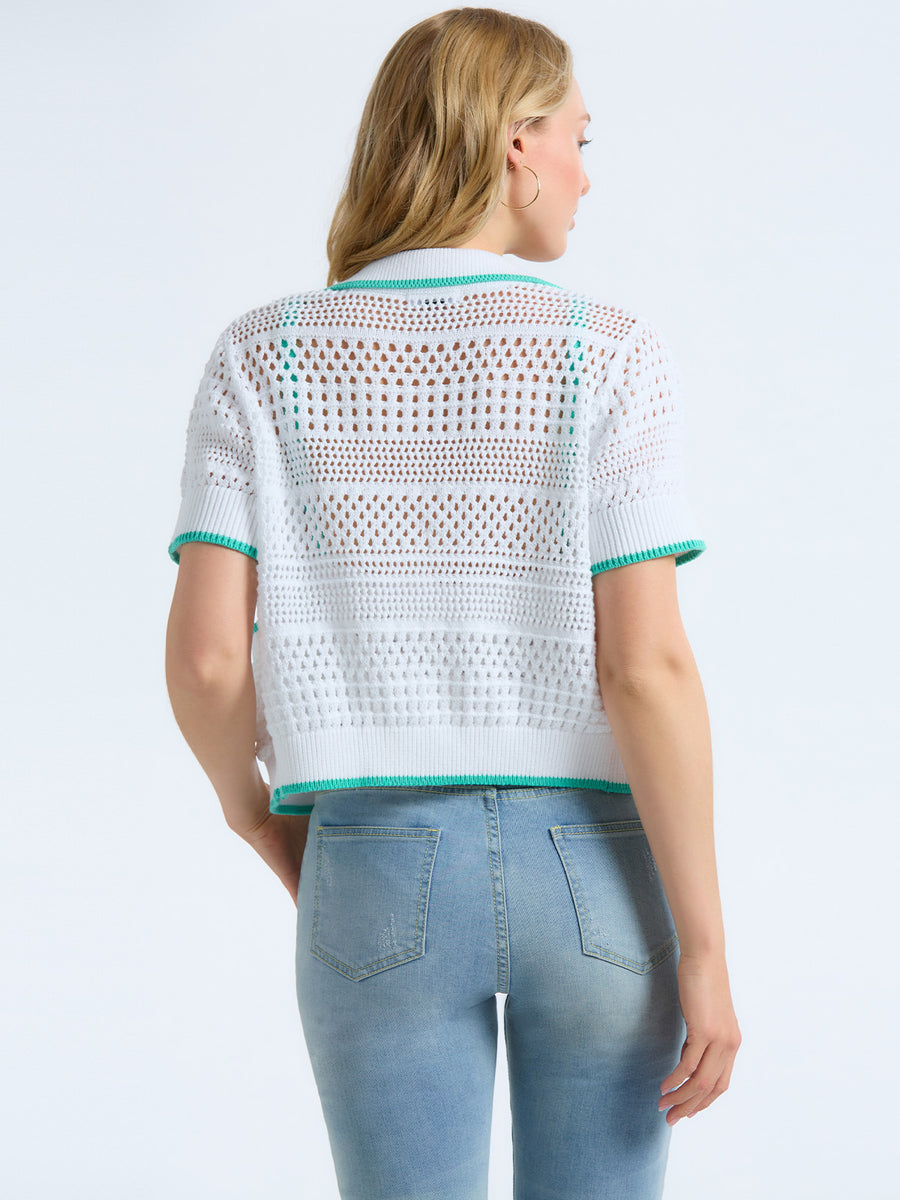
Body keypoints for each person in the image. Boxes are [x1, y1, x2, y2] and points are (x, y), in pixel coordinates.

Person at [164, 7, 741, 1198]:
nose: (586, 175)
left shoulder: (260, 355)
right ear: (518, 140)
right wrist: (708, 948)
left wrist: (256, 817)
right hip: (595, 869)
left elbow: (210, 661)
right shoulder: (611, 351)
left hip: (371, 861)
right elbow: (646, 671)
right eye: (580, 138)